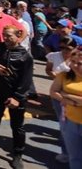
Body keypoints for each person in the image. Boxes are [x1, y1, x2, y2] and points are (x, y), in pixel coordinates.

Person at [0, 25, 33, 169]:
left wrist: (17, 97)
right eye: (4, 35)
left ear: (18, 35)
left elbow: (26, 80)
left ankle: (17, 154)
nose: (6, 38)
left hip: (15, 95)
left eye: (9, 35)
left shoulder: (25, 55)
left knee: (17, 126)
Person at [50, 47, 82, 169]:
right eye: (73, 61)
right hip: (70, 122)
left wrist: (65, 95)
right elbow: (53, 92)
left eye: (79, 63)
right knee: (74, 157)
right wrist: (74, 102)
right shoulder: (64, 75)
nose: (74, 65)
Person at [46, 36, 75, 164]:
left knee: (75, 125)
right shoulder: (53, 56)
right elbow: (48, 70)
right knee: (64, 126)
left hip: (73, 96)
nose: (64, 51)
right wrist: (53, 75)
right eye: (61, 47)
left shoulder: (78, 59)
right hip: (58, 95)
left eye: (67, 48)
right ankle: (66, 152)